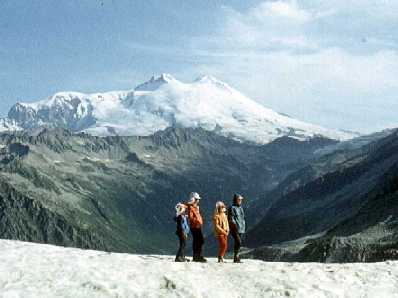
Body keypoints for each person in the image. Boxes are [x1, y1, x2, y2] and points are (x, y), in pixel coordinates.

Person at [186, 192, 207, 262]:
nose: (198, 201)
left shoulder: (194, 207)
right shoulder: (191, 207)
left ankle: (197, 256)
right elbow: (191, 218)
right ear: (193, 199)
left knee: (198, 240)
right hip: (195, 226)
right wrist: (197, 221)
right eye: (197, 199)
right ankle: (197, 256)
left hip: (197, 226)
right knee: (199, 240)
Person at [228, 194, 246, 263]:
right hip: (234, 228)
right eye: (239, 200)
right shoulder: (232, 208)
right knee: (238, 242)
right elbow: (231, 218)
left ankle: (236, 257)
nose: (241, 201)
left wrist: (243, 225)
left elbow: (242, 217)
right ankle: (236, 257)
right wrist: (234, 224)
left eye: (241, 200)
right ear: (236, 200)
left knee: (237, 243)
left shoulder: (240, 208)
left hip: (241, 228)